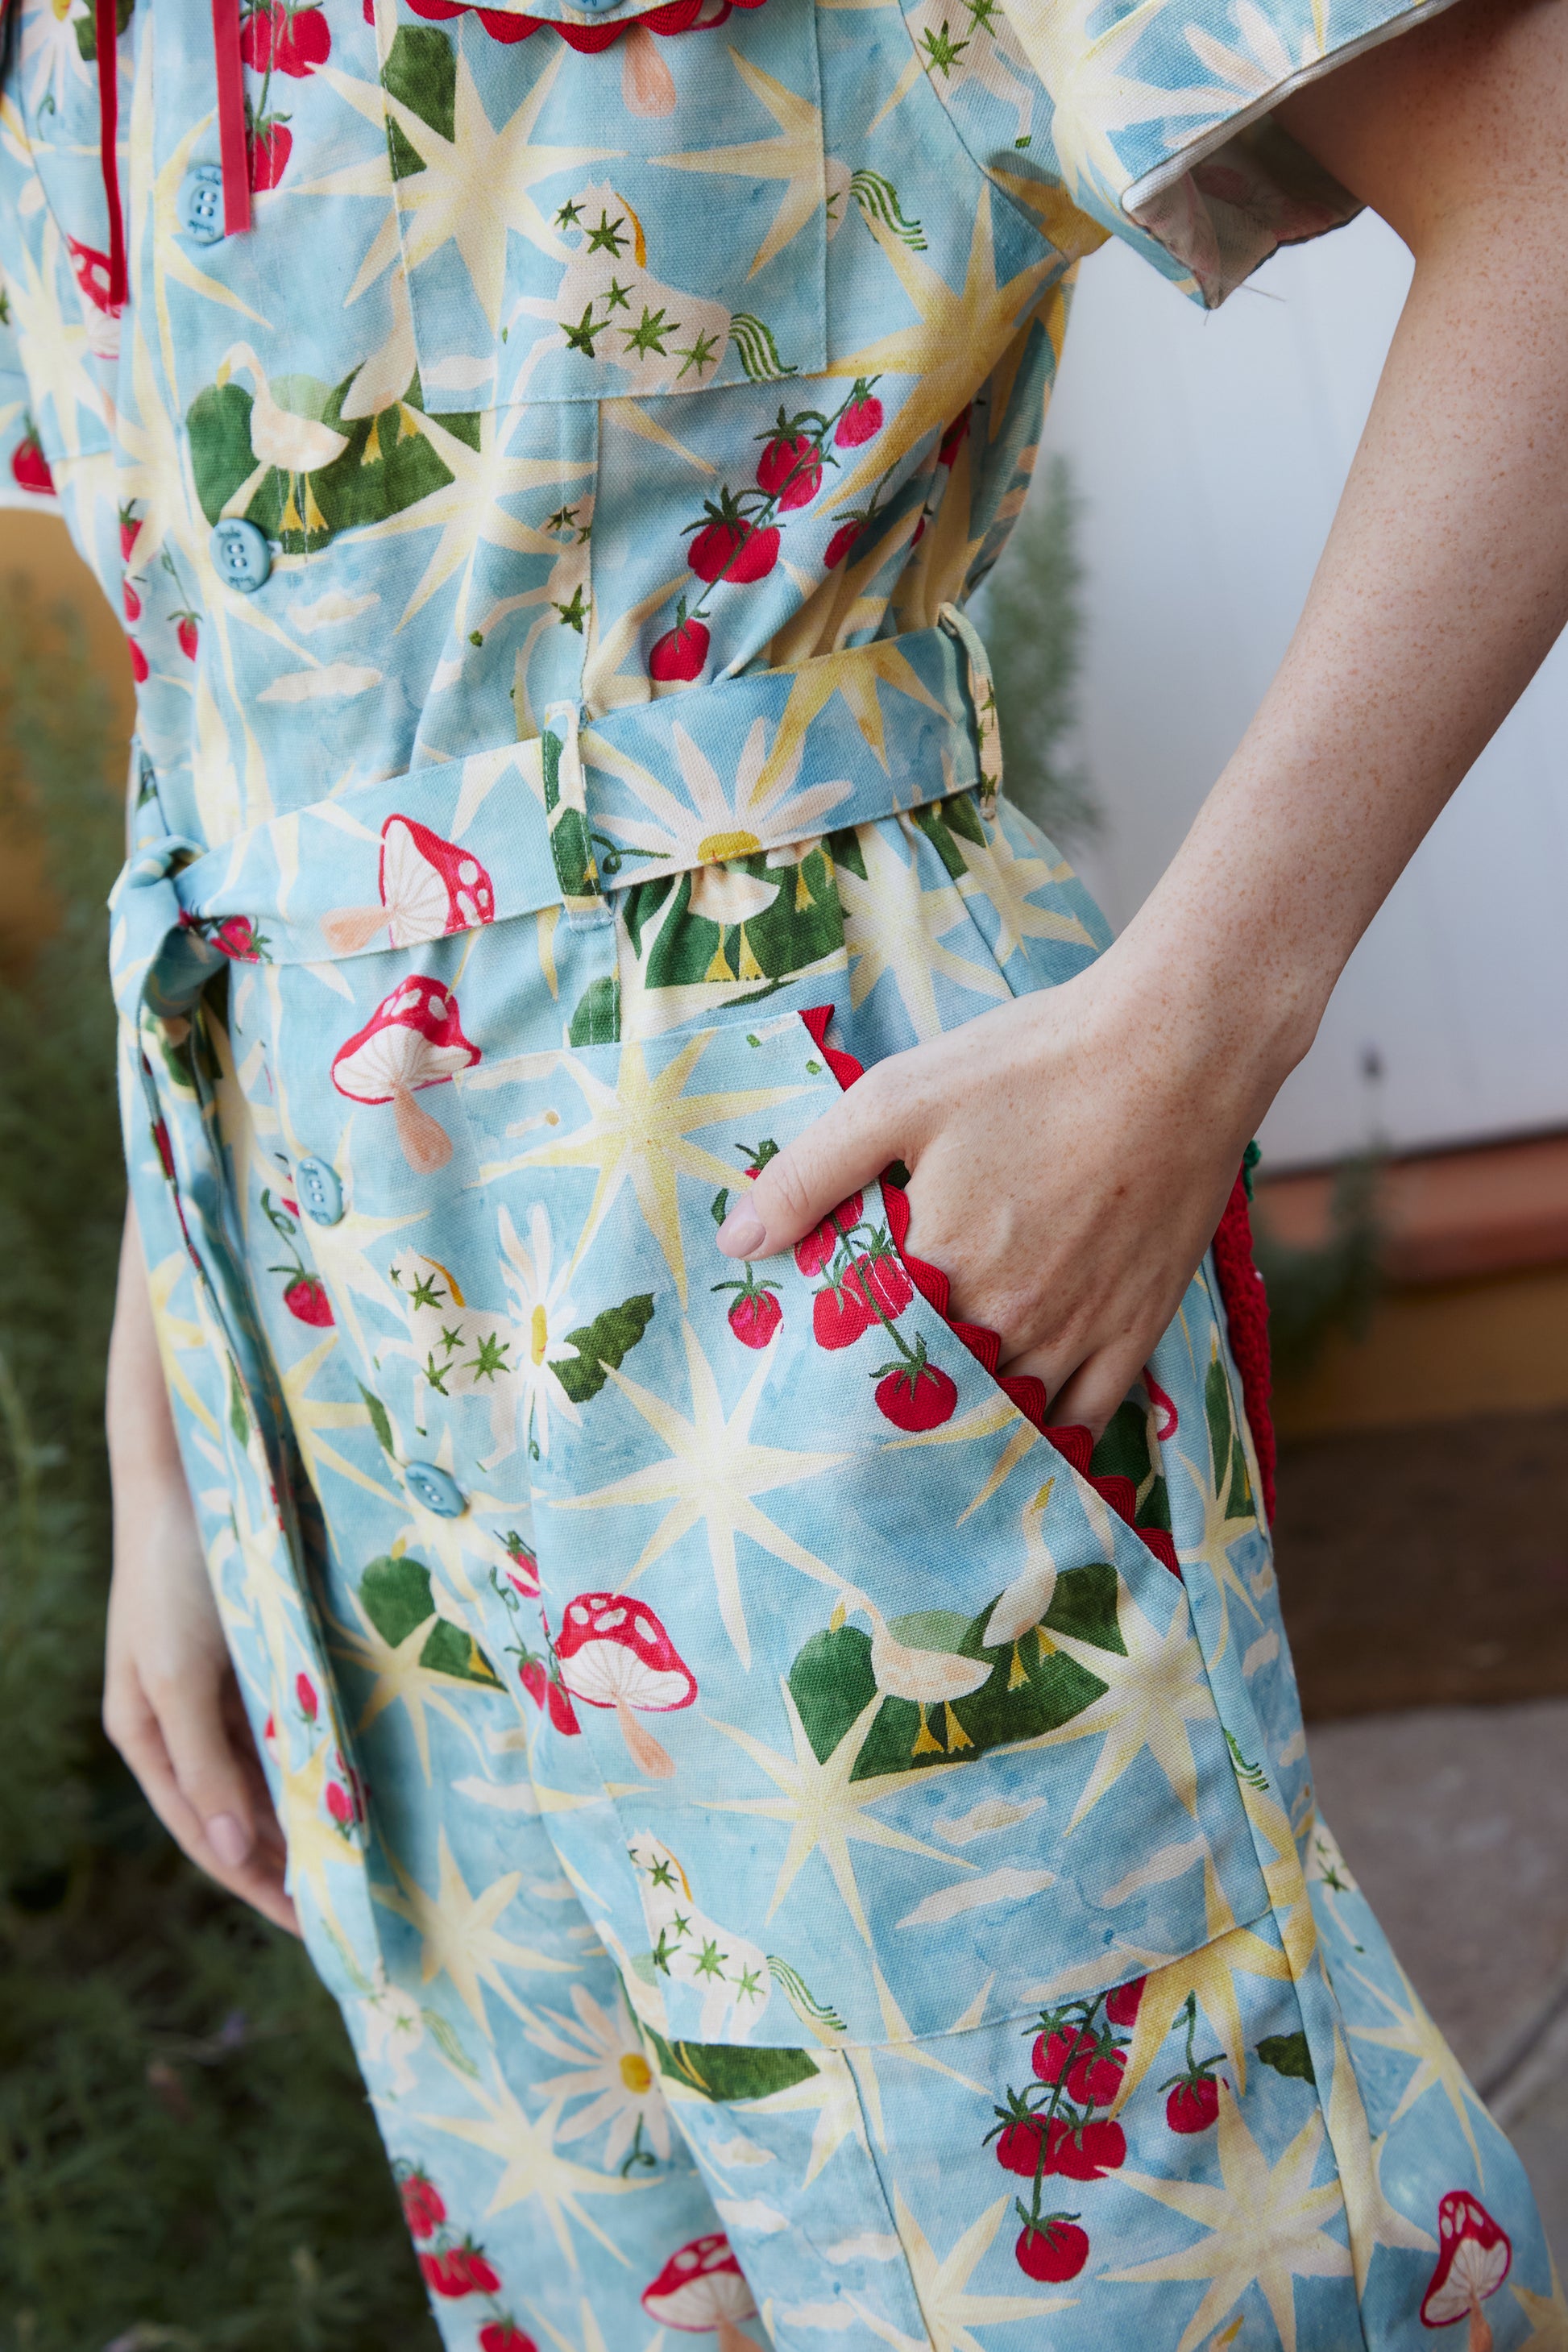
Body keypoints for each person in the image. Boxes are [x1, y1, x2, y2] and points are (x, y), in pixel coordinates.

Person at [2, 0, 1562, 2333]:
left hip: (781, 1219)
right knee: (619, 2279)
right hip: (302, 1374)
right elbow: (238, 702)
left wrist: (1194, 1031)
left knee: (1108, 2265)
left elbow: (1543, 173)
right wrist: (169, 1437)